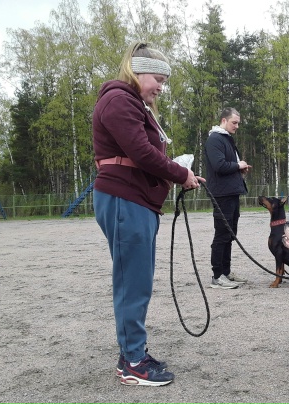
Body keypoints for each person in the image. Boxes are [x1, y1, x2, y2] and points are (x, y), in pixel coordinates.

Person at [92, 41, 204, 387]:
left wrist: (180, 174)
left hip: (134, 200)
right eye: (158, 79)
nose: (160, 88)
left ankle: (133, 352)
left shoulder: (129, 102)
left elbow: (141, 154)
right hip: (125, 199)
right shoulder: (119, 100)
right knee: (133, 283)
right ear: (138, 72)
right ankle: (132, 363)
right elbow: (141, 152)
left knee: (136, 281)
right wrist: (180, 173)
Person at [204, 107, 252, 289]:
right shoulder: (215, 139)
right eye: (234, 122)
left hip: (231, 192)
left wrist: (240, 169)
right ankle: (217, 276)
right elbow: (219, 165)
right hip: (221, 194)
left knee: (230, 234)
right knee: (222, 234)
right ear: (223, 120)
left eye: (238, 123)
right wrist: (238, 165)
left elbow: (228, 165)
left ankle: (226, 271)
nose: (237, 126)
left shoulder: (226, 139)